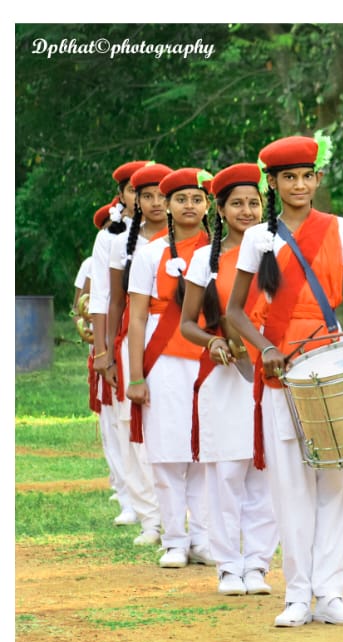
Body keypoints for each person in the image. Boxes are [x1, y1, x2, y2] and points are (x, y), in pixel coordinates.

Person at [225, 133, 343, 627]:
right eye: (288, 177)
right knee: (291, 485)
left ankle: (331, 593)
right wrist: (264, 348)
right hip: (281, 371)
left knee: (336, 481)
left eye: (306, 176)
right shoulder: (257, 238)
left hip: (330, 364)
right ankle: (297, 594)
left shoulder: (339, 228)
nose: (299, 184)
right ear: (273, 183)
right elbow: (235, 312)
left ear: (318, 178)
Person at [180, 162, 278, 596]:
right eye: (236, 203)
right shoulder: (207, 258)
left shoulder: (277, 248)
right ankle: (227, 564)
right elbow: (187, 324)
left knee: (268, 473)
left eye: (253, 202)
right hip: (225, 376)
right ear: (219, 210)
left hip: (274, 371)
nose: (247, 211)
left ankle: (258, 564)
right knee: (227, 473)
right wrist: (211, 342)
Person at [125, 167, 216, 569]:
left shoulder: (222, 249)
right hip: (161, 361)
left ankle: (202, 538)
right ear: (167, 204)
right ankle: (174, 539)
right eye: (181, 199)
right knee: (166, 452)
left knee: (205, 452)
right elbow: (138, 318)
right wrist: (136, 376)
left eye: (197, 198)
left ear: (208, 204)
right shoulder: (149, 254)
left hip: (211, 361)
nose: (189, 206)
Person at [90, 160, 163, 544]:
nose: (149, 201)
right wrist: (105, 351)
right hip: (128, 339)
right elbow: (107, 299)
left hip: (173, 342)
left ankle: (176, 513)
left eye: (157, 194)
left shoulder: (193, 239)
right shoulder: (118, 240)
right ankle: (148, 515)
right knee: (128, 427)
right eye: (140, 193)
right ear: (125, 196)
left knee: (170, 427)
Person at [82, 201, 130, 526]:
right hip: (121, 333)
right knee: (119, 423)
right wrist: (102, 348)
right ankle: (130, 496)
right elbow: (96, 296)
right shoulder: (109, 240)